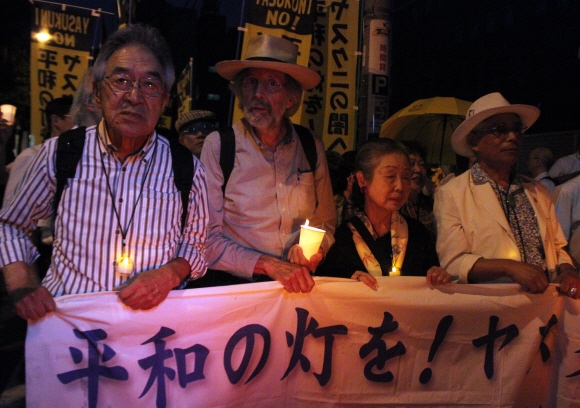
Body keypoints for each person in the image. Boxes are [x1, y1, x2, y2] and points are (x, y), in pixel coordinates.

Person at [0, 24, 209, 321]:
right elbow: (11, 225)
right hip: (68, 327)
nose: (134, 97)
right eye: (121, 80)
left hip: (150, 335)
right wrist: (22, 284)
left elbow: (196, 245)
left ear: (165, 100)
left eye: (150, 85)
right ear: (97, 92)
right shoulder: (61, 153)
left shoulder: (186, 168)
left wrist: (169, 274)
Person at [200, 34, 336, 293]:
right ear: (240, 90)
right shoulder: (220, 146)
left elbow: (325, 221)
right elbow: (205, 239)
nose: (258, 94)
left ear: (290, 99)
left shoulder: (310, 145)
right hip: (236, 290)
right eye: (251, 82)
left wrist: (315, 249)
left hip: (298, 287)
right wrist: (268, 265)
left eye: (272, 83)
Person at [435, 92, 580, 297]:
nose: (513, 137)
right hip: (491, 312)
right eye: (500, 130)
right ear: (474, 141)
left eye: (517, 130)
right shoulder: (453, 192)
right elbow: (453, 263)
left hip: (543, 310)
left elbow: (557, 249)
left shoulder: (537, 191)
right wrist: (510, 268)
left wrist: (568, 271)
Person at [317, 139, 451, 290]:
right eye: (390, 176)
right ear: (362, 180)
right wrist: (348, 280)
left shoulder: (418, 234)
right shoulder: (341, 238)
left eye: (406, 177)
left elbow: (429, 284)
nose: (400, 186)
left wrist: (438, 275)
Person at [3, 96, 74, 207]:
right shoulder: (30, 156)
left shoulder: (81, 157)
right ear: (56, 120)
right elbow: (11, 204)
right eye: (76, 118)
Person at [399, 141, 436, 241]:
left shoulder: (432, 205)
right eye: (411, 164)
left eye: (422, 164)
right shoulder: (393, 205)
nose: (418, 170)